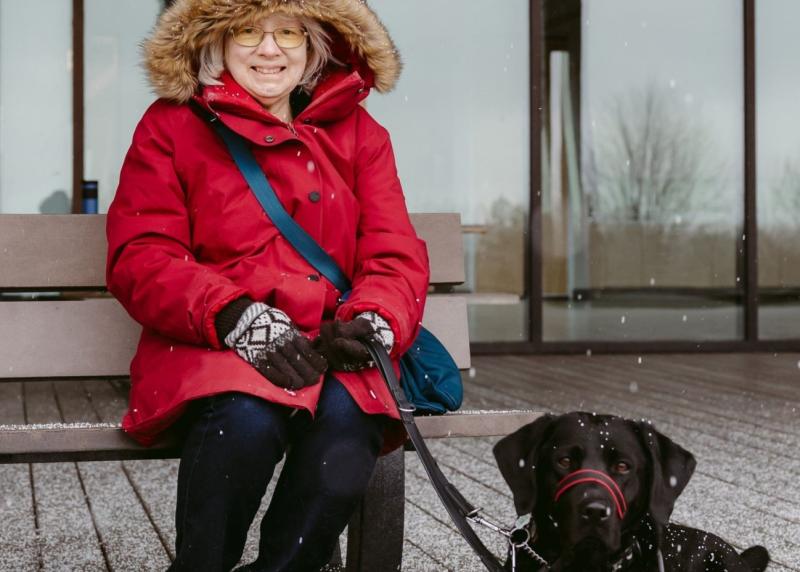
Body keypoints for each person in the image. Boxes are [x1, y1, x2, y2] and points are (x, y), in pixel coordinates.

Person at [105, 1, 429, 570]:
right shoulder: (172, 126)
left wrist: (372, 320)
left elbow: (394, 253)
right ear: (218, 43)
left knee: (350, 426)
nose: (270, 49)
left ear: (314, 46)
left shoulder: (360, 134)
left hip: (332, 346)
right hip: (215, 345)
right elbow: (142, 253)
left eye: (288, 33)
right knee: (246, 423)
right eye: (249, 31)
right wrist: (234, 318)